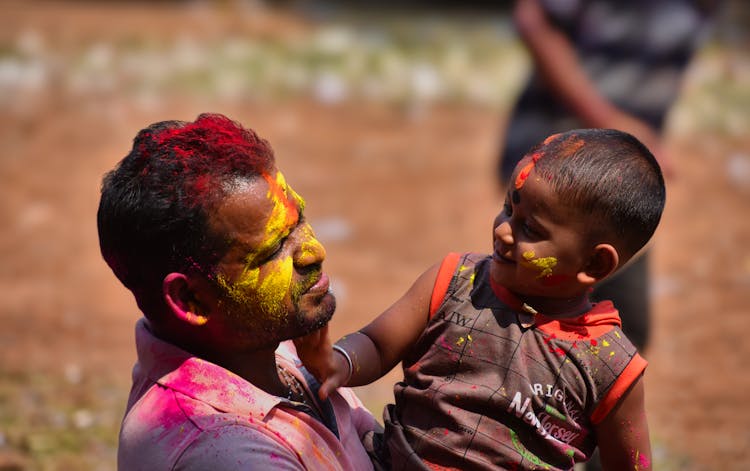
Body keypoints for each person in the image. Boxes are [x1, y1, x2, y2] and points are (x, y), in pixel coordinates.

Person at [296, 129, 665, 470]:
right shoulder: (456, 282)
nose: (504, 230)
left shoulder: (608, 366)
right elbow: (378, 344)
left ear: (595, 262)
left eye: (530, 229)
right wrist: (339, 363)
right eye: (508, 207)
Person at [97, 113, 381, 470]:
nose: (314, 251)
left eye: (300, 221)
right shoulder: (223, 450)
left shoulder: (280, 352)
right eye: (275, 249)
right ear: (191, 300)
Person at [498, 0, 718, 353]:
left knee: (617, 333)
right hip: (562, 162)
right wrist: (606, 117)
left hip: (622, 171)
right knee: (532, 311)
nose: (500, 229)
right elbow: (533, 18)